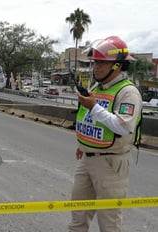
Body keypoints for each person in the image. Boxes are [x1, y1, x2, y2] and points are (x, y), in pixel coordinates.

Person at [69, 36, 142, 232]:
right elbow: (90, 119)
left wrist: (93, 107)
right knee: (77, 216)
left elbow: (123, 127)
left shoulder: (128, 93)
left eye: (102, 62)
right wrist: (84, 144)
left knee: (108, 222)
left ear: (117, 65)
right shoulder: (97, 87)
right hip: (87, 159)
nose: (96, 67)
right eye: (95, 62)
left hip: (111, 164)